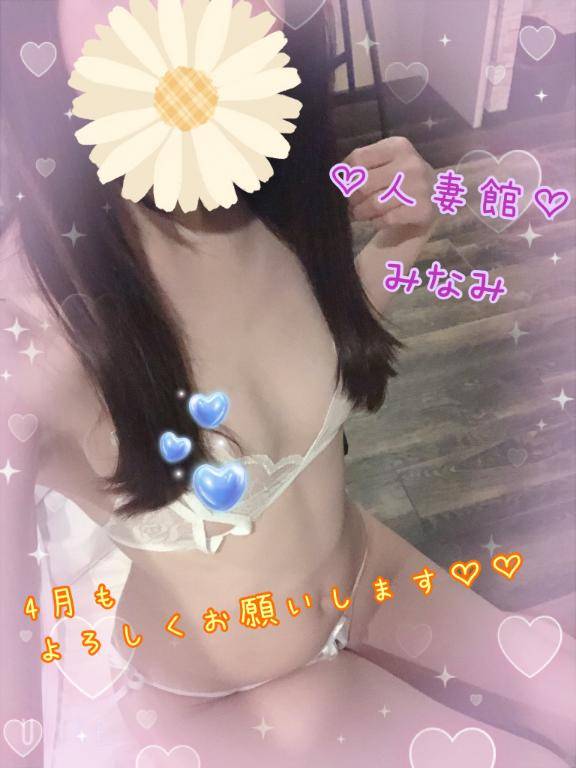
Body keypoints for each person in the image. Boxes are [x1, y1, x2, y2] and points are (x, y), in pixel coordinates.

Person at [0, 1, 574, 766]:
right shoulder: (26, 336)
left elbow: (317, 344)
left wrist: (407, 236)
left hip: (369, 576)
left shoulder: (278, 189)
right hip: (225, 695)